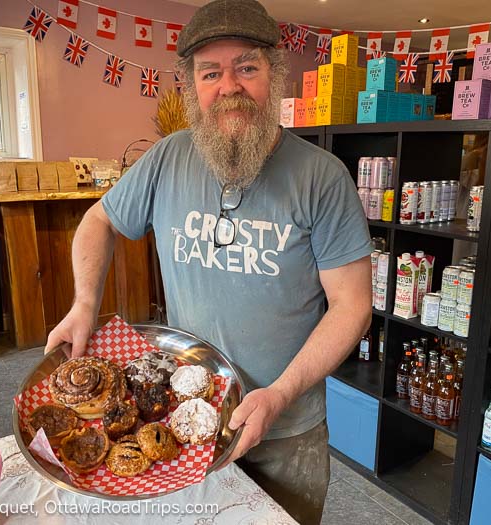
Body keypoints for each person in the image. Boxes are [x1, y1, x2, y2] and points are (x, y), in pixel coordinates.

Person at [45, 0, 372, 522]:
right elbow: (98, 221)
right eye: (210, 72)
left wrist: (280, 395)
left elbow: (352, 306)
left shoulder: (322, 178)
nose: (230, 87)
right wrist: (85, 303)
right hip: (183, 419)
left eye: (247, 67)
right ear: (192, 86)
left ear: (274, 75)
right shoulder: (167, 158)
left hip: (288, 433)